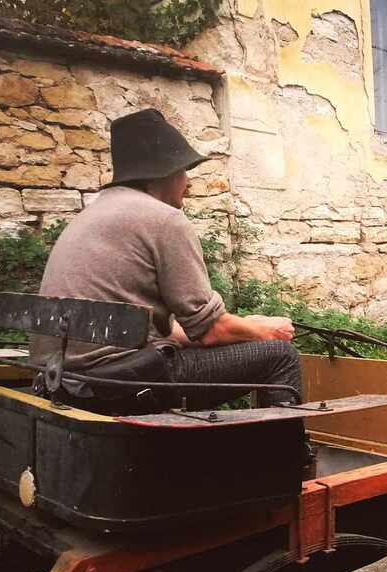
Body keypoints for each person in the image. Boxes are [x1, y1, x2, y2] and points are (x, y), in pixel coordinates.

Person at [30, 108, 302, 412]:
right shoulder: (165, 219)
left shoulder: (91, 216)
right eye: (184, 171)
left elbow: (158, 329)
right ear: (165, 172)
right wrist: (266, 331)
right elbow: (211, 331)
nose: (187, 182)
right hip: (121, 384)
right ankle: (285, 459)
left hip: (64, 381)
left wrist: (246, 325)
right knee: (280, 355)